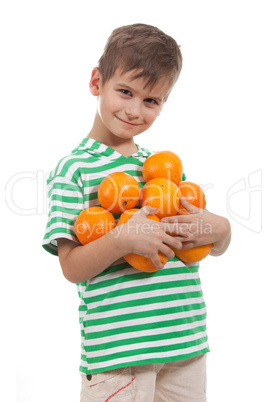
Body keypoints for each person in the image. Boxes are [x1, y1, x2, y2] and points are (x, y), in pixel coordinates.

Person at [42, 23, 231, 402]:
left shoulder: (162, 167)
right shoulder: (73, 170)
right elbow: (71, 268)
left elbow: (196, 243)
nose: (134, 110)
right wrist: (122, 238)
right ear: (97, 82)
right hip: (121, 355)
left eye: (151, 101)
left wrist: (222, 231)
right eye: (125, 92)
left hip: (186, 344)